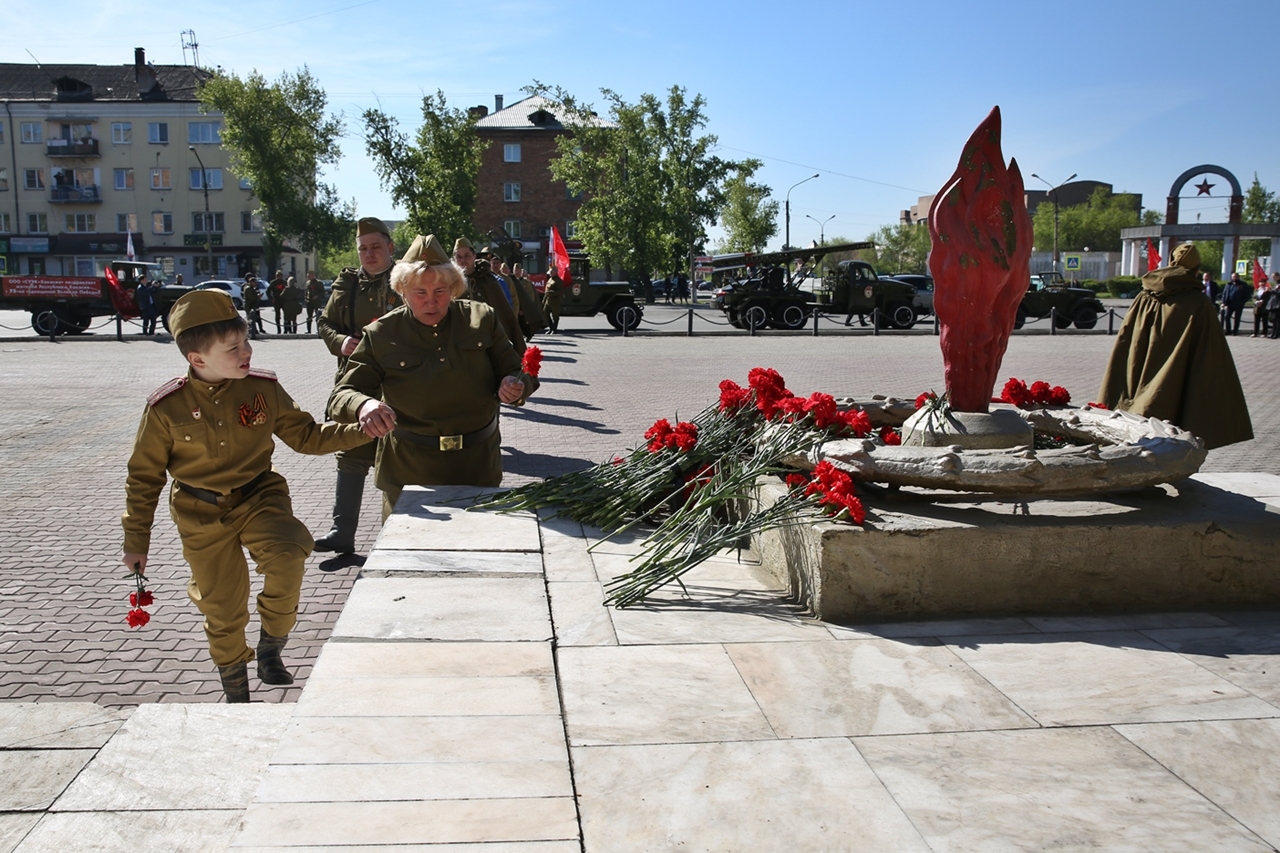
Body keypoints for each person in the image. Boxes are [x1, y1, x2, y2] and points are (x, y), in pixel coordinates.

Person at [120, 290, 373, 702]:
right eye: (234, 347)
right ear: (197, 359)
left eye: (247, 341)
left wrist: (364, 430)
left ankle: (272, 644)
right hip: (200, 511)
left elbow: (306, 436)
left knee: (290, 552)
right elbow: (144, 478)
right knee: (222, 607)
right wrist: (136, 542)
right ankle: (237, 692)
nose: (247, 352)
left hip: (259, 497)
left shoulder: (262, 388)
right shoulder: (166, 407)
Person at [329, 234, 537, 519]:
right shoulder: (382, 334)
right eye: (420, 293)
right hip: (409, 472)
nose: (431, 302)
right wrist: (365, 405)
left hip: (477, 466)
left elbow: (517, 369)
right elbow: (341, 395)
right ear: (402, 290)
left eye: (440, 291)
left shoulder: (481, 319)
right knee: (408, 559)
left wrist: (516, 385)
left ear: (453, 288)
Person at [1098, 243, 1252, 450]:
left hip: (1140, 368)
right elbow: (1209, 354)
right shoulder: (1198, 302)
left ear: (1171, 261)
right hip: (1177, 377)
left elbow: (1127, 341)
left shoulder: (1145, 295)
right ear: (1196, 268)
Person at [313, 218, 401, 554]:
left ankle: (393, 535)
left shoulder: (405, 282)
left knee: (394, 458)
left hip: (397, 385)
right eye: (363, 248)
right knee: (349, 454)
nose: (369, 254)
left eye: (376, 247)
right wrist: (340, 342)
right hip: (356, 384)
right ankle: (342, 531)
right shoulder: (348, 285)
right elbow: (325, 323)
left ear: (390, 248)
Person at [452, 237, 526, 354]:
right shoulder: (450, 283)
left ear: (474, 256)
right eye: (459, 257)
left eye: (467, 256)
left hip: (487, 340)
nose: (463, 260)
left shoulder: (488, 280)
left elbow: (503, 312)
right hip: (460, 342)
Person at [1220, 272, 1252, 336]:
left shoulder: (1243, 284)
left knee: (1237, 318)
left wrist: (1243, 301)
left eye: (1235, 276)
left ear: (1238, 277)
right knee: (1227, 317)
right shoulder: (1229, 284)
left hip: (1239, 304)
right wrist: (1223, 302)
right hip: (1230, 304)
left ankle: (1235, 331)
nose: (1234, 278)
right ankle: (1228, 331)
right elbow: (1224, 293)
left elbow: (1248, 294)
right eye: (1233, 276)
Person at [543, 269, 563, 334]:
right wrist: (544, 300)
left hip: (555, 301)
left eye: (552, 272)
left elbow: (560, 291)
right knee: (545, 313)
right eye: (550, 272)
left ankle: (554, 329)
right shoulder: (550, 279)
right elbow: (546, 291)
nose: (550, 273)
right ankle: (551, 327)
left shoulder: (558, 281)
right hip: (548, 300)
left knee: (555, 316)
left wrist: (551, 293)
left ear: (555, 272)